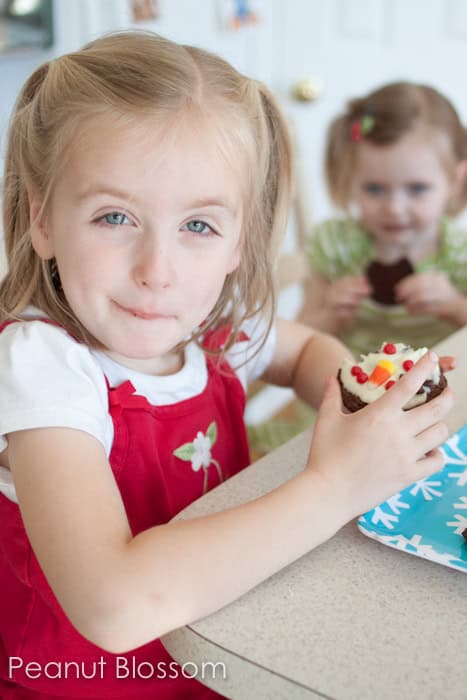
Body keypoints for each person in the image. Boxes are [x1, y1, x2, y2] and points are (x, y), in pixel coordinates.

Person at [0, 34, 453, 700]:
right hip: (90, 682)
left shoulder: (210, 326)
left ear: (239, 241)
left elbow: (303, 352)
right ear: (43, 218)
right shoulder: (42, 366)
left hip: (225, 641)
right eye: (114, 216)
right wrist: (333, 487)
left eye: (199, 227)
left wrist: (353, 412)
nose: (157, 272)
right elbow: (113, 606)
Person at [301, 81, 467, 356]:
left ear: (455, 181)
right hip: (352, 387)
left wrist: (454, 305)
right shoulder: (335, 246)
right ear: (350, 179)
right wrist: (331, 314)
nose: (394, 208)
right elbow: (300, 334)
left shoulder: (460, 255)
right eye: (374, 189)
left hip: (439, 389)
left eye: (417, 189)